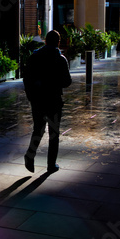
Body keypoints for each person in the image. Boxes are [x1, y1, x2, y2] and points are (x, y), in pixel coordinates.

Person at [23, 30, 72, 174]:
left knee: (38, 129)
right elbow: (67, 82)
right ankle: (51, 165)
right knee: (54, 133)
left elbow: (27, 78)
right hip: (54, 100)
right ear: (58, 42)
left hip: (37, 100)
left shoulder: (35, 56)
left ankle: (29, 156)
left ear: (45, 41)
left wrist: (31, 96)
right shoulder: (61, 59)